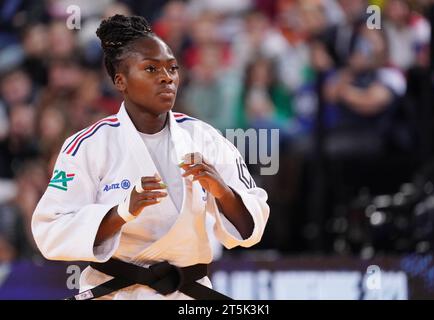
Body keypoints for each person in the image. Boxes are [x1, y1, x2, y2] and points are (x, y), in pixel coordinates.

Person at [31, 14, 270, 300]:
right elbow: (51, 231)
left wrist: (221, 191)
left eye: (172, 68)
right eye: (151, 69)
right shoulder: (87, 145)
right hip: (114, 294)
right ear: (121, 81)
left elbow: (251, 226)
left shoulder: (205, 138)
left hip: (188, 296)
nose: (166, 77)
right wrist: (121, 212)